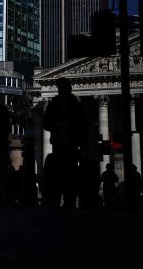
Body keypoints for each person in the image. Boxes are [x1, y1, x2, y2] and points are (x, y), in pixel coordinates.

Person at [42, 77, 87, 209]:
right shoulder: (53, 104)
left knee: (71, 175)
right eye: (62, 87)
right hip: (59, 143)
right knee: (59, 174)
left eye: (66, 87)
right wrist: (56, 126)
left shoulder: (76, 104)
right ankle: (57, 202)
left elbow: (83, 125)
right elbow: (45, 122)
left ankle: (70, 203)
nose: (64, 89)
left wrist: (83, 143)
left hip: (72, 144)